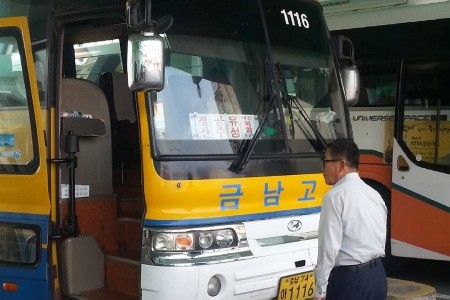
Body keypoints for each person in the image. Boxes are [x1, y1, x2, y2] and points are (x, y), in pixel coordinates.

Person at [314, 139, 387, 300]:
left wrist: (320, 289)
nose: (322, 168)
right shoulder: (374, 195)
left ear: (341, 165)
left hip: (349, 282)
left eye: (325, 162)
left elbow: (328, 249)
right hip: (377, 277)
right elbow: (380, 238)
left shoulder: (334, 197)